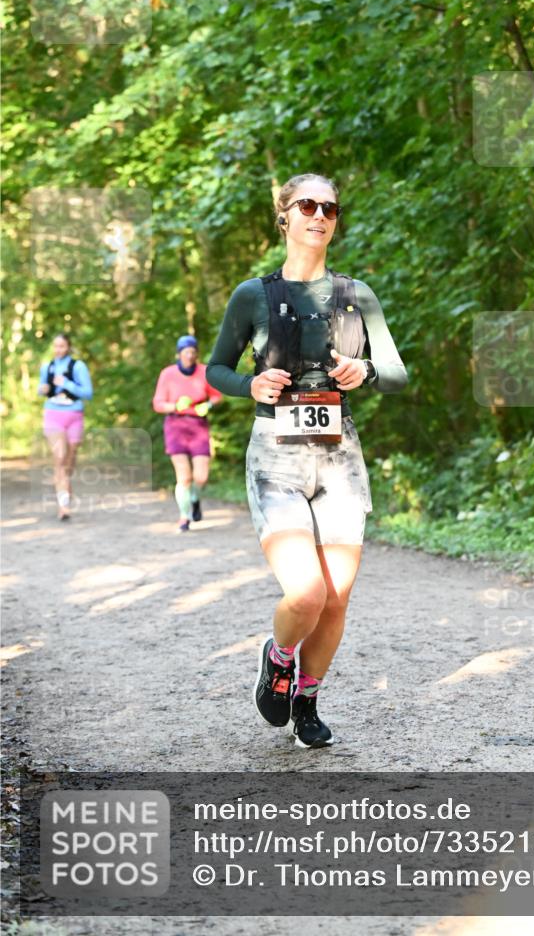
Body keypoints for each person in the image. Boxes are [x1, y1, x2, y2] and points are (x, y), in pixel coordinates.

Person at [206, 173, 407, 748]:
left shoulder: (356, 294)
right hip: (276, 458)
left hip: (340, 457)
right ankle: (278, 658)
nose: (321, 215)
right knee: (307, 594)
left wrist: (362, 370)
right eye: (308, 205)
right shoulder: (253, 295)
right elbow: (216, 368)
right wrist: (252, 385)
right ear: (285, 216)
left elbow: (395, 373)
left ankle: (307, 701)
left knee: (337, 597)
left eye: (331, 208)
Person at [152, 335, 223, 532]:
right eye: (186, 352)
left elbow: (217, 396)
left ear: (196, 354)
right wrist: (174, 405)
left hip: (198, 425)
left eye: (193, 352)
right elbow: (157, 404)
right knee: (184, 477)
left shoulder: (203, 372)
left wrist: (207, 405)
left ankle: (194, 498)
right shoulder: (168, 374)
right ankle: (184, 517)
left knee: (201, 476)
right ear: (179, 353)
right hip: (175, 426)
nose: (190, 355)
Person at [38, 333, 93, 520]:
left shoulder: (78, 367)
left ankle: (65, 491)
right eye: (55, 346)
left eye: (62, 346)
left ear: (68, 347)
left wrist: (67, 384)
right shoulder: (48, 367)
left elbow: (88, 393)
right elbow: (41, 388)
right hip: (53, 415)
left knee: (69, 463)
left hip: (74, 416)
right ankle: (63, 506)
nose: (58, 350)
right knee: (59, 457)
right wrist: (42, 389)